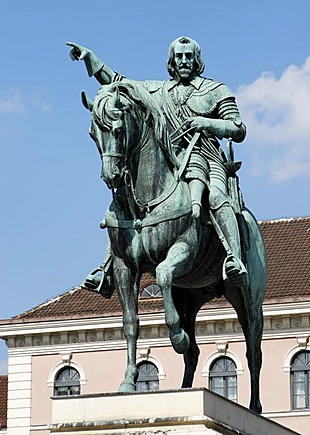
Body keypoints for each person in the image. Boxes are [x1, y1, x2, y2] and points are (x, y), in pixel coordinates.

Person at [67, 37, 247, 287]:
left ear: (197, 60)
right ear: (171, 62)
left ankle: (233, 259)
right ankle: (107, 267)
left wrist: (205, 123)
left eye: (188, 56)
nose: (184, 61)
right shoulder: (159, 91)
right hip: (170, 160)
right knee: (125, 199)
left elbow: (238, 128)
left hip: (207, 156)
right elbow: (121, 84)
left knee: (216, 196)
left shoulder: (216, 90)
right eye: (179, 57)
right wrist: (90, 58)